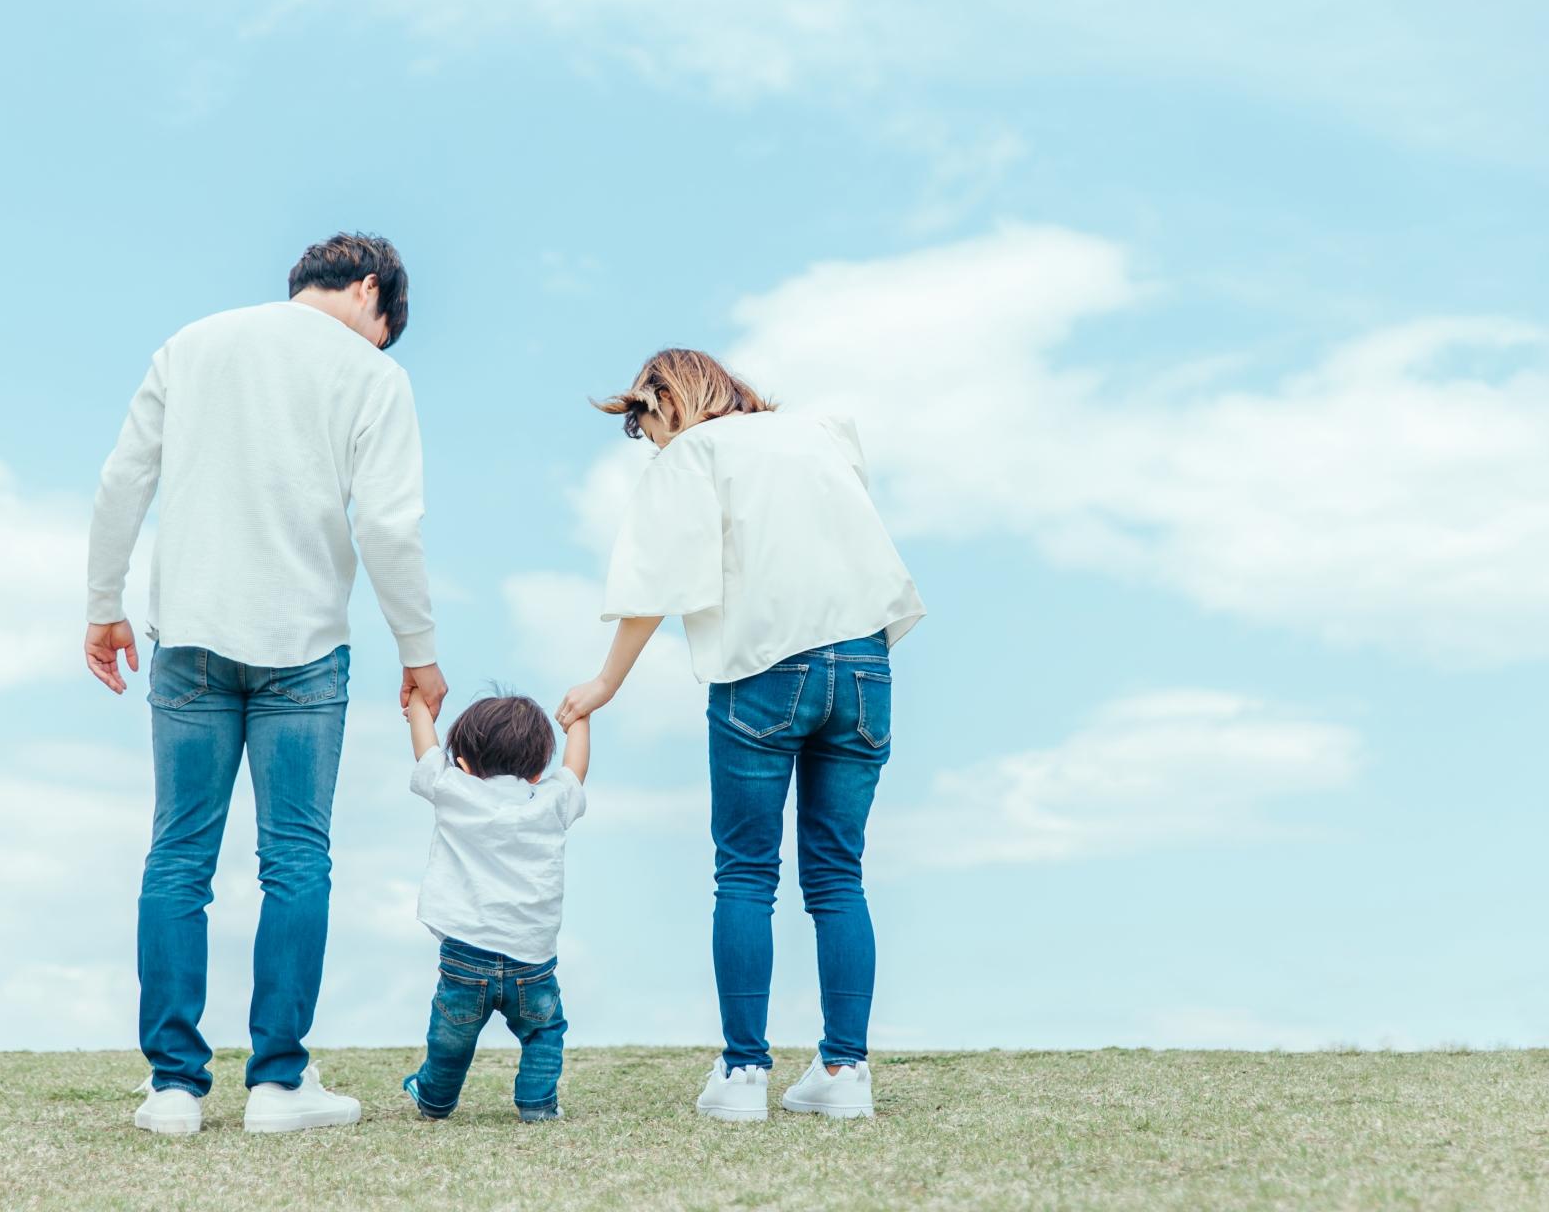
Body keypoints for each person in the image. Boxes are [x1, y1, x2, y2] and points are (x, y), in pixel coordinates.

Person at [84, 232, 449, 1135]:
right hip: (305, 647)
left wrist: (103, 604)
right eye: (386, 328)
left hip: (190, 638)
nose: (380, 344)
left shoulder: (193, 343)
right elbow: (389, 528)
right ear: (371, 291)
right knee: (296, 860)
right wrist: (419, 650)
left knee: (179, 857)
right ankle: (279, 1086)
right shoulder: (374, 377)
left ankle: (174, 1088)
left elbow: (123, 480)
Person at [557, 349, 924, 1122]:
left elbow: (656, 583)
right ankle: (845, 1072)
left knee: (747, 874)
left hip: (766, 668)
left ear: (666, 398)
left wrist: (604, 684)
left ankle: (744, 1075)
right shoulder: (820, 433)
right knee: (838, 875)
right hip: (865, 665)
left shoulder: (694, 452)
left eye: (644, 426)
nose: (650, 442)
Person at [400, 691, 588, 1122]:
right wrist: (581, 717)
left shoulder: (453, 789)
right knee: (543, 1032)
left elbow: (425, 750)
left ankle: (435, 1099)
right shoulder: (552, 800)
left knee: (451, 1038)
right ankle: (537, 1105)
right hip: (533, 958)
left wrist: (420, 703)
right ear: (538, 771)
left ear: (463, 763)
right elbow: (576, 770)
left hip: (465, 953)